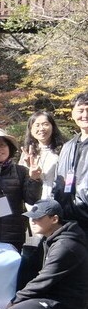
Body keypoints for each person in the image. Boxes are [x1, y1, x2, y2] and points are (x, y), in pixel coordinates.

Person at [4, 199, 88, 309]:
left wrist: (14, 300)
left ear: (54, 219)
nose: (32, 221)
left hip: (65, 303)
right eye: (31, 217)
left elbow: (44, 280)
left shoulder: (66, 246)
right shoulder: (48, 239)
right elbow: (30, 267)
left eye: (38, 218)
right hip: (49, 294)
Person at [0, 129, 43, 251]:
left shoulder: (21, 171)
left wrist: (34, 179)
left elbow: (32, 199)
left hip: (14, 234)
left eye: (2, 145)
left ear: (9, 147)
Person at [53, 92, 88, 239]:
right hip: (68, 218)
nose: (85, 115)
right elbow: (59, 182)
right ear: (72, 113)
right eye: (80, 110)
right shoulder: (68, 146)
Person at [21, 111, 64, 202]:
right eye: (37, 125)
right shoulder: (27, 153)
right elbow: (22, 183)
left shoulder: (63, 150)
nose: (41, 128)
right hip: (34, 203)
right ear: (31, 130)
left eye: (45, 124)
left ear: (53, 127)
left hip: (58, 202)